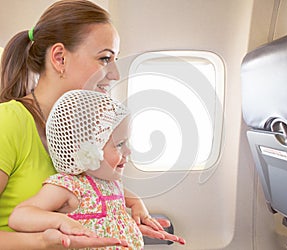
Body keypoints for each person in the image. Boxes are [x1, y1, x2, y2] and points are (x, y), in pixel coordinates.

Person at [0, 0, 185, 249]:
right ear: (59, 58)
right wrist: (43, 241)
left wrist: (116, 218)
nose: (116, 73)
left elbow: (80, 195)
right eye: (105, 58)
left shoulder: (82, 128)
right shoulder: (8, 122)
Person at [9, 90, 144, 249]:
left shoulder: (109, 182)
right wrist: (60, 221)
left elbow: (121, 194)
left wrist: (136, 202)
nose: (128, 151)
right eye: (120, 144)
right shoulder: (68, 186)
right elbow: (19, 216)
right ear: (91, 147)